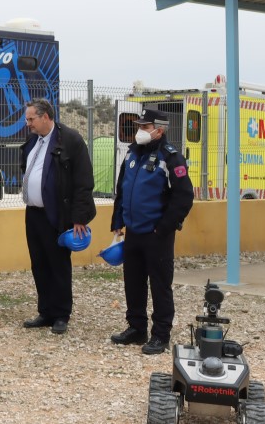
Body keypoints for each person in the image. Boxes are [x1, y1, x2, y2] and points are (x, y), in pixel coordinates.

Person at [110, 106, 194, 355]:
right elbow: (122, 190)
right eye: (139, 126)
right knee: (133, 282)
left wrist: (164, 228)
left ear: (159, 130)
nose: (140, 131)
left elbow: (184, 197)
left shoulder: (171, 157)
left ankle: (160, 335)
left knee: (160, 285)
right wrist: (117, 221)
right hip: (134, 232)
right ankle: (136, 328)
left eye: (145, 127)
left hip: (157, 234)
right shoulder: (132, 153)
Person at [19, 98, 96, 335]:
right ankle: (46, 311)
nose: (28, 123)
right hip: (34, 214)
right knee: (39, 263)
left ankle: (61, 313)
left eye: (31, 119)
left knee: (58, 265)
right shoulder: (33, 141)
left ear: (46, 117)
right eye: (27, 118)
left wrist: (79, 217)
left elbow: (83, 181)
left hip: (57, 214)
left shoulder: (70, 140)